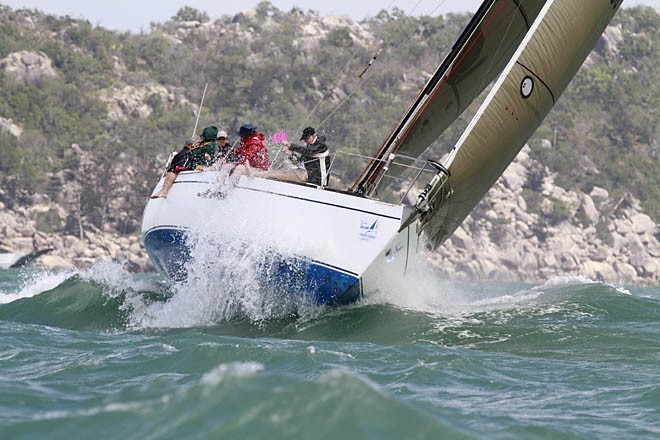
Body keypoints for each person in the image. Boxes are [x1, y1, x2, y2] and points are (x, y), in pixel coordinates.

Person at [150, 126, 218, 199]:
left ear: (207, 135)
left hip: (195, 166)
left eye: (203, 135)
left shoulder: (209, 145)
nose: (201, 136)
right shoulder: (209, 144)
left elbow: (202, 155)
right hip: (196, 165)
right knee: (175, 168)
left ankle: (164, 191)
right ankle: (163, 191)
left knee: (174, 169)